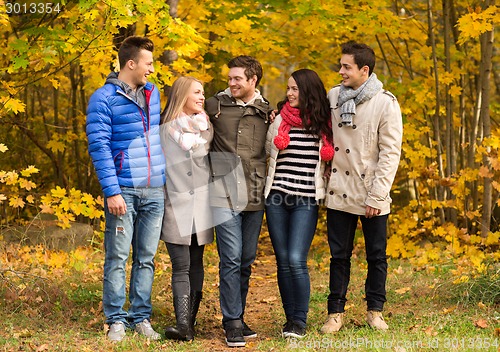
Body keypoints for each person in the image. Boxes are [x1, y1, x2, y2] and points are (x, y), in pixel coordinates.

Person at [86, 36, 166, 342]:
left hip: (155, 190)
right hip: (124, 190)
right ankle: (116, 320)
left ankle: (141, 317)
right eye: (148, 63)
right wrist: (112, 191)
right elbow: (99, 147)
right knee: (117, 257)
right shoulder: (103, 99)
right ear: (131, 63)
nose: (152, 69)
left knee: (146, 257)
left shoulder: (153, 93)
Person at [320, 41, 403, 333]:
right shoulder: (333, 96)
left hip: (371, 191)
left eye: (346, 67)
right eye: (340, 65)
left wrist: (377, 195)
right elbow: (315, 123)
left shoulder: (385, 102)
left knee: (376, 255)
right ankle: (335, 313)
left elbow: (390, 153)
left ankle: (375, 311)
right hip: (339, 188)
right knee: (338, 255)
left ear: (364, 70)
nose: (340, 71)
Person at [204, 55, 274, 348]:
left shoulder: (265, 109)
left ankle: (239, 316)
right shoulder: (214, 105)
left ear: (252, 80)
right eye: (229, 78)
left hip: (254, 194)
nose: (231, 83)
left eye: (237, 79)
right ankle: (231, 321)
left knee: (245, 260)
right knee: (230, 258)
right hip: (223, 192)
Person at [264, 69, 334, 339]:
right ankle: (290, 320)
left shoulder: (325, 123)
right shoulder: (279, 119)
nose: (290, 93)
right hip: (277, 197)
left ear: (308, 91)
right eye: (288, 89)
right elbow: (265, 151)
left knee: (296, 259)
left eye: (295, 89)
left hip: (305, 199)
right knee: (282, 261)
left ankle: (300, 321)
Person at [159, 76, 214, 341]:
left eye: (203, 93)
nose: (202, 97)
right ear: (183, 95)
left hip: (201, 206)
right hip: (175, 204)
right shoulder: (165, 129)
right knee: (180, 264)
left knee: (197, 262)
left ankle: (189, 324)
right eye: (197, 93)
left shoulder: (205, 127)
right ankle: (182, 325)